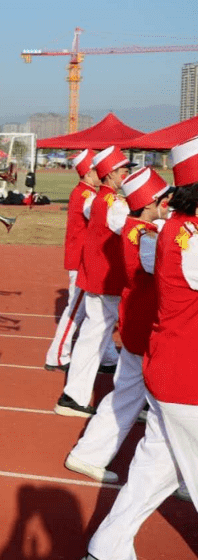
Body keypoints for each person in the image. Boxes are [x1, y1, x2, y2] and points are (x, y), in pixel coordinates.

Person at [80, 137, 198, 560]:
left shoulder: (179, 231)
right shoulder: (186, 238)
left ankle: (106, 553)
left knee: (152, 474)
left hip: (174, 371)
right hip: (187, 378)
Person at [65, 167, 171, 484]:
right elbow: (164, 266)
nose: (168, 204)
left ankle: (89, 454)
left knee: (130, 391)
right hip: (144, 319)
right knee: (147, 395)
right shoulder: (143, 235)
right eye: (163, 200)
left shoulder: (139, 226)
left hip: (140, 316)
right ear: (152, 203)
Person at [57, 146, 134, 417]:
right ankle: (74, 396)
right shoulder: (113, 203)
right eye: (125, 171)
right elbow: (128, 229)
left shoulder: (101, 199)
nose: (127, 175)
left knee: (94, 337)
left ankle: (73, 395)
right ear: (111, 174)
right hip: (105, 280)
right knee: (97, 338)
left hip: (98, 277)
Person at [45, 149, 99, 372]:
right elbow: (96, 215)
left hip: (85, 259)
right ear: (87, 173)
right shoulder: (86, 195)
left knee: (95, 312)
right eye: (97, 171)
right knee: (77, 309)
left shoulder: (86, 192)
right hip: (81, 260)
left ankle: (107, 357)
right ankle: (57, 355)